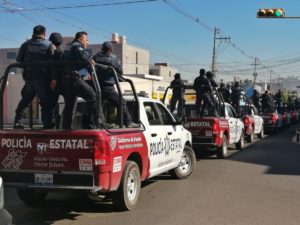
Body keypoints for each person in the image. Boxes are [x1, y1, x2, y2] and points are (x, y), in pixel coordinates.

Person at [14, 25, 54, 129]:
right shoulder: (49, 45)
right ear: (44, 33)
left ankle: (17, 122)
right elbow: (53, 62)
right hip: (43, 79)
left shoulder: (25, 44)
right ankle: (47, 125)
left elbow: (19, 59)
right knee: (45, 103)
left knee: (25, 100)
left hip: (29, 78)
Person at [93, 41, 137, 128]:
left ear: (102, 49)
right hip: (108, 87)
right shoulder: (114, 59)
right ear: (110, 50)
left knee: (98, 106)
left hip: (97, 86)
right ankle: (128, 122)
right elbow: (120, 72)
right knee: (122, 102)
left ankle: (99, 124)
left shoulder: (96, 57)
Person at [61, 31, 97, 129]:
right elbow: (84, 58)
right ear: (81, 39)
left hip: (67, 80)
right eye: (86, 40)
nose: (87, 42)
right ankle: (92, 126)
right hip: (75, 80)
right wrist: (90, 60)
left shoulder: (68, 46)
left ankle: (66, 128)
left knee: (70, 105)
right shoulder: (77, 45)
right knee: (94, 98)